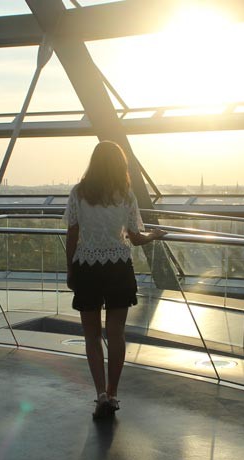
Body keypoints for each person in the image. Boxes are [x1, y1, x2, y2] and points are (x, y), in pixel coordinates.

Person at [63, 141, 165, 419]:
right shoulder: (126, 195)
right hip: (119, 268)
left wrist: (70, 270)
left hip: (87, 268)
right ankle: (114, 392)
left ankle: (100, 395)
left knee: (92, 337)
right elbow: (135, 237)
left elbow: (72, 235)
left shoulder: (78, 193)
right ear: (120, 165)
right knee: (117, 334)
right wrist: (154, 235)